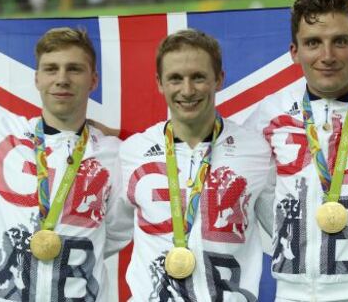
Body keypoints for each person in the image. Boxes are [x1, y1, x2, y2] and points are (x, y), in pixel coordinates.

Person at [245, 0, 348, 300]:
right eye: (313, 42)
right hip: (296, 293)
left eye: (340, 41)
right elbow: (224, 168)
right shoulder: (268, 115)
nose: (327, 55)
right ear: (295, 51)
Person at [110, 28, 275, 300]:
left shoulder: (255, 150)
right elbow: (105, 233)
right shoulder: (132, 152)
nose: (187, 90)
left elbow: (287, 230)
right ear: (159, 83)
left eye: (198, 77)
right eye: (175, 79)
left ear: (219, 79)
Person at [0, 27, 123, 301]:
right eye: (51, 69)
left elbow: (113, 234)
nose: (62, 79)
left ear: (93, 80)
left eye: (74, 69)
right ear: (37, 79)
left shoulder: (117, 155)